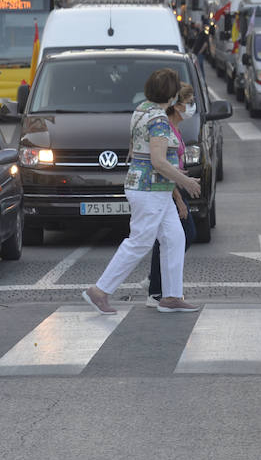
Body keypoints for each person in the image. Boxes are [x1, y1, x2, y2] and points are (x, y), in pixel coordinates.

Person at [84, 67, 202, 314]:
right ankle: (100, 290)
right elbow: (158, 161)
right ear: (170, 96)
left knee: (175, 237)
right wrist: (185, 181)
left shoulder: (141, 110)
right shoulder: (158, 119)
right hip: (151, 189)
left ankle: (171, 296)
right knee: (140, 241)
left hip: (148, 186)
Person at [146, 83, 198, 307]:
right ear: (177, 106)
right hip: (167, 190)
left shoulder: (174, 128)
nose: (192, 107)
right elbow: (163, 165)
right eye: (190, 103)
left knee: (174, 238)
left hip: (171, 188)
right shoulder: (165, 128)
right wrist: (178, 199)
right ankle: (158, 289)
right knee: (176, 237)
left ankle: (162, 289)